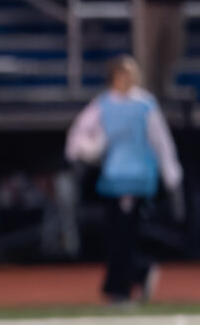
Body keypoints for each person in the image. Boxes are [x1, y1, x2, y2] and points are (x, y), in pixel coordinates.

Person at [65, 55, 184, 305]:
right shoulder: (104, 104)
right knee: (119, 234)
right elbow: (78, 137)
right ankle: (132, 277)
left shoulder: (144, 104)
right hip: (114, 178)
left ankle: (122, 285)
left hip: (136, 179)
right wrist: (88, 151)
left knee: (124, 234)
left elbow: (162, 143)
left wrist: (172, 179)